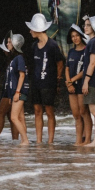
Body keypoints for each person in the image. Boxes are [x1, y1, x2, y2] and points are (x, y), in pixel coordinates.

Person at [26, 13, 65, 144]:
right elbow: (32, 64)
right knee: (37, 110)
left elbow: (60, 63)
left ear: (38, 29)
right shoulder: (33, 46)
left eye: (32, 28)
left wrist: (58, 80)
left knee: (49, 111)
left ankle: (50, 141)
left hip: (49, 83)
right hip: (36, 82)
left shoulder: (52, 45)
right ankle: (38, 141)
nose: (30, 31)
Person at [3, 33, 30, 146]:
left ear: (15, 44)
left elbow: (22, 75)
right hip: (15, 92)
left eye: (9, 42)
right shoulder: (14, 59)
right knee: (21, 117)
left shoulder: (19, 58)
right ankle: (25, 140)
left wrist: (17, 92)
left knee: (14, 117)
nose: (7, 44)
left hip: (20, 92)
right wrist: (10, 95)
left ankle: (25, 140)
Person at [66, 25, 90, 145]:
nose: (75, 38)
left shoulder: (86, 50)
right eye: (73, 36)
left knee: (83, 112)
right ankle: (78, 139)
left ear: (81, 36)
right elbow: (67, 68)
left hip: (81, 84)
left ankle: (87, 138)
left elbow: (85, 70)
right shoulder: (71, 51)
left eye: (77, 35)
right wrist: (68, 83)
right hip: (71, 86)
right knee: (76, 114)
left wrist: (72, 80)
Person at [0, 37, 18, 142]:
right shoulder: (9, 61)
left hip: (10, 91)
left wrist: (14, 92)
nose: (4, 50)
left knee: (0, 113)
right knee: (11, 117)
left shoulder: (15, 60)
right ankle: (15, 140)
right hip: (7, 90)